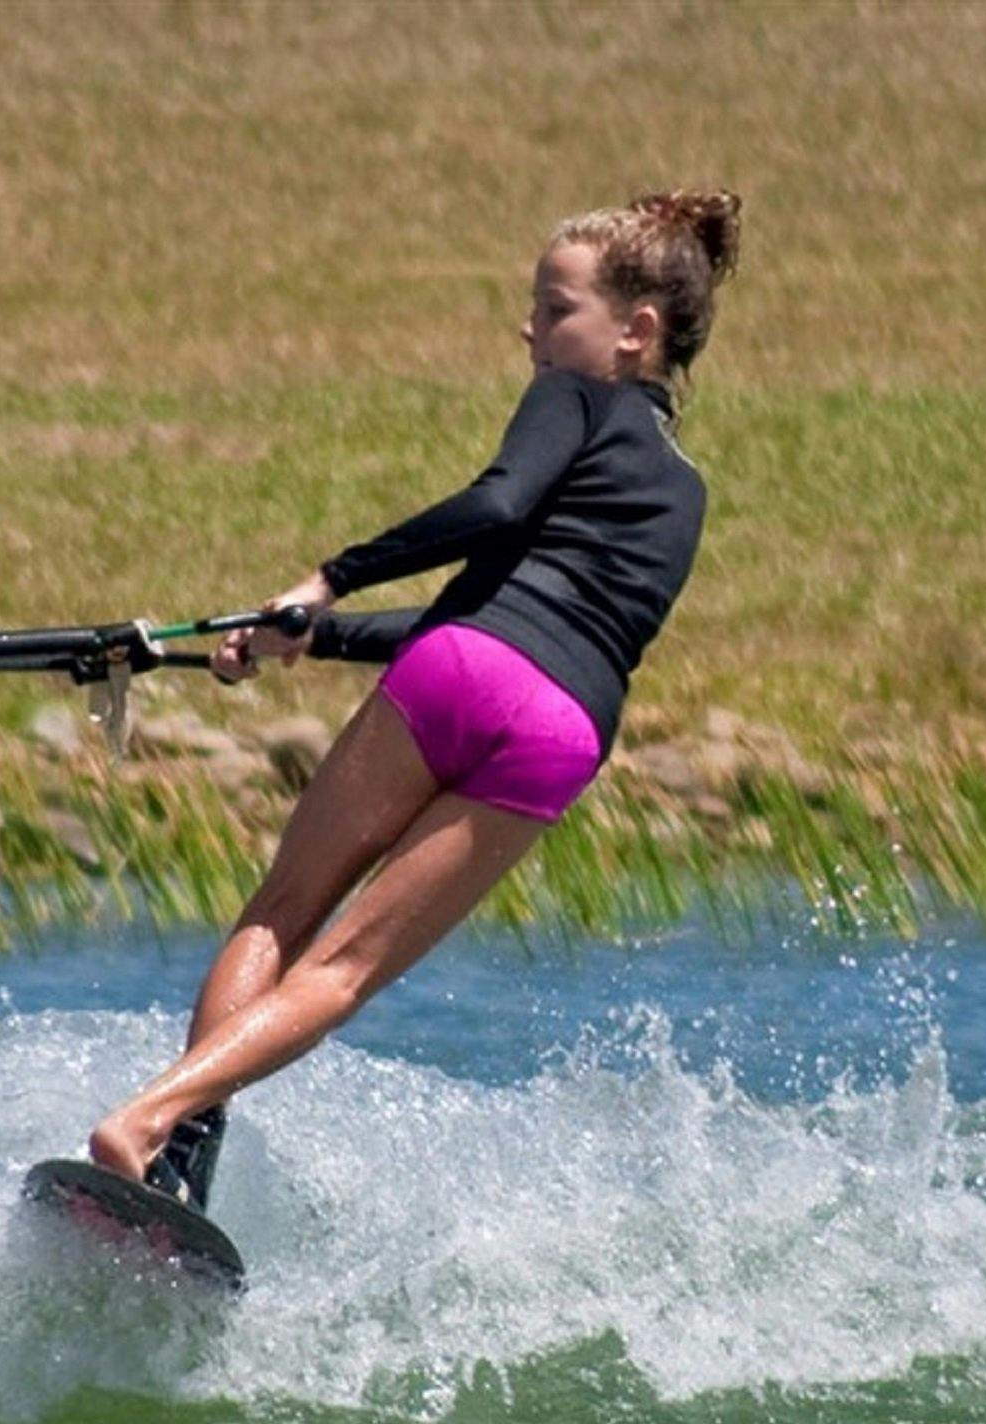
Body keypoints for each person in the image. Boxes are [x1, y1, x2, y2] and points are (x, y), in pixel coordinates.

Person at [88, 189, 743, 1206]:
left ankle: (156, 1131)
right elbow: (528, 625)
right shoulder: (685, 491)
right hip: (559, 731)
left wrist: (330, 577)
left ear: (634, 331)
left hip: (459, 672)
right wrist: (304, 640)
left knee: (282, 911)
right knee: (341, 977)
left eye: (553, 305)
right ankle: (164, 1170)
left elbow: (493, 513)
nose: (529, 328)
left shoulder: (575, 394)